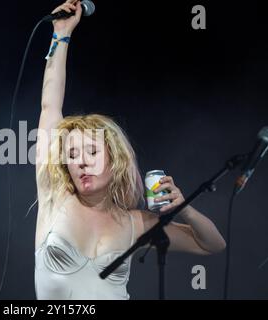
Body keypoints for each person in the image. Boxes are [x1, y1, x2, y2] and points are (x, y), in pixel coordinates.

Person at [34, 0, 226, 300]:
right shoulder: (53, 198)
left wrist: (184, 210)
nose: (81, 162)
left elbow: (213, 245)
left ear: (115, 159)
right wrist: (61, 35)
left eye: (92, 152)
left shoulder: (136, 223)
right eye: (72, 156)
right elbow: (50, 104)